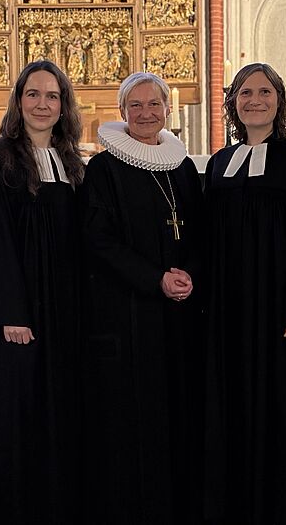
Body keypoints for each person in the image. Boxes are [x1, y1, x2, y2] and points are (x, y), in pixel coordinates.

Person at [202, 63, 286, 524]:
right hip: (231, 309)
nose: (254, 100)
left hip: (281, 307)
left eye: (264, 92)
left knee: (284, 409)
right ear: (233, 104)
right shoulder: (221, 162)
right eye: (245, 93)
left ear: (279, 101)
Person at [79, 72, 204, 524]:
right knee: (135, 421)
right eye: (137, 106)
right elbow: (98, 240)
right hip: (129, 313)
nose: (147, 113)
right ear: (122, 112)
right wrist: (155, 278)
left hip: (180, 315)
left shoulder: (183, 166)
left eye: (155, 105)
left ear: (168, 110)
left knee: (179, 415)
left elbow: (200, 232)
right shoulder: (105, 169)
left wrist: (190, 273)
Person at [0, 60, 86, 524]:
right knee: (18, 419)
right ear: (19, 101)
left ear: (64, 106)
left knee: (62, 414)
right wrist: (10, 313)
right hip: (19, 315)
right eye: (33, 94)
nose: (43, 104)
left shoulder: (75, 163)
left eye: (53, 96)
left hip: (65, 310)